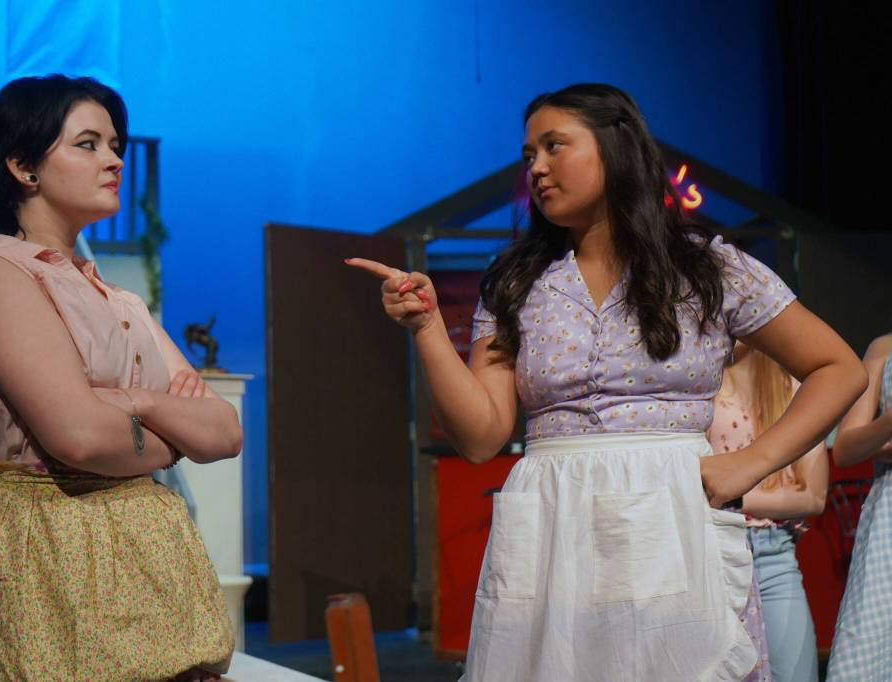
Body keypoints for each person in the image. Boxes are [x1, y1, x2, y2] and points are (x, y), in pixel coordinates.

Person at [347, 83, 865, 680]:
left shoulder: (707, 268)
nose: (536, 168)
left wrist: (752, 462)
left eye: (554, 146)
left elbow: (838, 368)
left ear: (615, 147)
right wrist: (429, 328)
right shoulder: (516, 283)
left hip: (671, 519)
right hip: (552, 525)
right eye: (528, 156)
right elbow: (482, 436)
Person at [0, 75, 242, 681]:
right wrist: (165, 430)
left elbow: (223, 432)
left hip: (143, 572)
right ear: (23, 165)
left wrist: (131, 400)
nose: (114, 159)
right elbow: (79, 437)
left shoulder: (117, 298)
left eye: (115, 144)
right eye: (88, 144)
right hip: (38, 559)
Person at [709, 342, 827, 681]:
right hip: (712, 545)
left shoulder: (795, 389)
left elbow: (812, 497)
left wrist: (730, 492)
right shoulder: (701, 385)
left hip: (772, 553)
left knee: (794, 672)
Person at [826, 332, 892, 680]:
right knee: (872, 642)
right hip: (889, 518)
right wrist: (888, 423)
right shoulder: (884, 348)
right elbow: (846, 447)